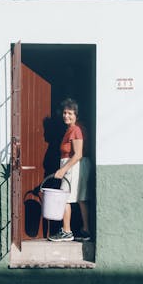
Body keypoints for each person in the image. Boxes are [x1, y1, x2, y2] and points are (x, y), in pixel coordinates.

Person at [48, 98, 91, 242]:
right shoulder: (73, 129)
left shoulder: (75, 130)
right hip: (74, 165)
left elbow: (78, 154)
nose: (66, 116)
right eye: (65, 113)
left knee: (65, 198)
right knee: (81, 198)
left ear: (76, 115)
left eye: (70, 113)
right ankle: (86, 230)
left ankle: (67, 231)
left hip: (72, 166)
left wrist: (63, 170)